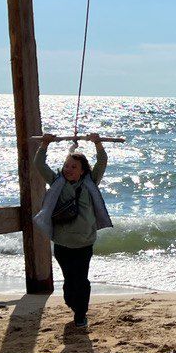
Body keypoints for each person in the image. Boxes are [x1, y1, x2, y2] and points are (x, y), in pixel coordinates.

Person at [33, 134, 112, 329]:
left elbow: (102, 162)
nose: (68, 170)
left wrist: (97, 142)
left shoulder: (90, 182)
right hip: (62, 242)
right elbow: (39, 164)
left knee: (81, 279)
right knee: (69, 280)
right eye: (67, 166)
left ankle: (80, 314)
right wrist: (45, 143)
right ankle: (73, 303)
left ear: (83, 171)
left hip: (84, 242)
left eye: (74, 167)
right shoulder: (56, 182)